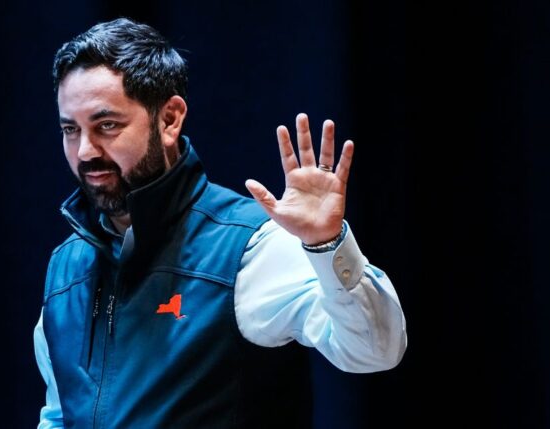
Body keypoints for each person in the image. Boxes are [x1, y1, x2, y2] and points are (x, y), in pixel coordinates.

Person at [33, 17, 407, 428]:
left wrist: (327, 244)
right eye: (71, 130)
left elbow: (376, 350)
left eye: (107, 125)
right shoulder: (65, 269)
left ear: (170, 119)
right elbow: (58, 416)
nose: (86, 151)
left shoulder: (249, 248)